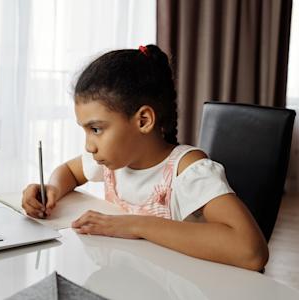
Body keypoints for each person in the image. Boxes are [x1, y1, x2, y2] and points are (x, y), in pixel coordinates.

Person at [22, 45, 269, 271]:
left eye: (96, 129)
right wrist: (52, 188)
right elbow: (70, 171)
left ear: (143, 120)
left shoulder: (187, 170)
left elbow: (251, 251)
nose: (89, 146)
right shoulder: (115, 161)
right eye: (85, 130)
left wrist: (134, 225)